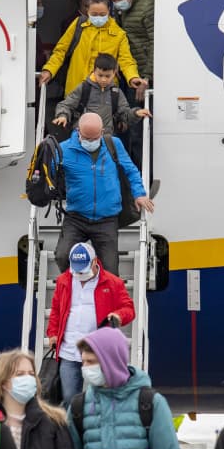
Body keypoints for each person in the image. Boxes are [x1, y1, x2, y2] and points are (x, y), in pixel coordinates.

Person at [53, 112, 154, 275]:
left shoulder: (113, 144)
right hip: (76, 217)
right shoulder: (64, 149)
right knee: (62, 256)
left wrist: (139, 194)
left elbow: (131, 170)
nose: (91, 142)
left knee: (111, 269)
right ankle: (77, 289)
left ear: (102, 132)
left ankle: (103, 294)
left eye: (94, 138)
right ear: (78, 131)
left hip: (106, 219)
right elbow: (45, 174)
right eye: (86, 138)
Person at [46, 242, 135, 406]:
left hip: (98, 352)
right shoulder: (64, 280)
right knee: (69, 401)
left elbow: (129, 309)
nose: (80, 274)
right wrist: (52, 333)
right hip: (69, 351)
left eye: (84, 269)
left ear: (95, 262)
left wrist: (118, 316)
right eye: (77, 270)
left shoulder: (113, 282)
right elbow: (56, 311)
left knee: (104, 398)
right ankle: (72, 431)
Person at [40, 0, 147, 98]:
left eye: (102, 14)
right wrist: (49, 70)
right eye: (94, 14)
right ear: (87, 11)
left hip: (105, 95)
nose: (98, 18)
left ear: (109, 11)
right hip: (76, 93)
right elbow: (60, 51)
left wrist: (132, 77)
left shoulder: (119, 34)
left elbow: (126, 60)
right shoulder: (78, 25)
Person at [53, 53, 151, 134]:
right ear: (94, 71)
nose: (103, 79)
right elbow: (65, 105)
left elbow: (124, 115)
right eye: (100, 75)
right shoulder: (84, 88)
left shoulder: (116, 93)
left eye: (107, 76)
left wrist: (136, 113)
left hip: (105, 138)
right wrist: (62, 116)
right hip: (81, 136)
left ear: (114, 73)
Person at [104, 0, 154, 89]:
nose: (117, 3)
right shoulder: (120, 8)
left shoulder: (148, 6)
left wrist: (147, 77)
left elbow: (156, 44)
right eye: (114, 0)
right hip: (127, 69)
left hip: (145, 71)